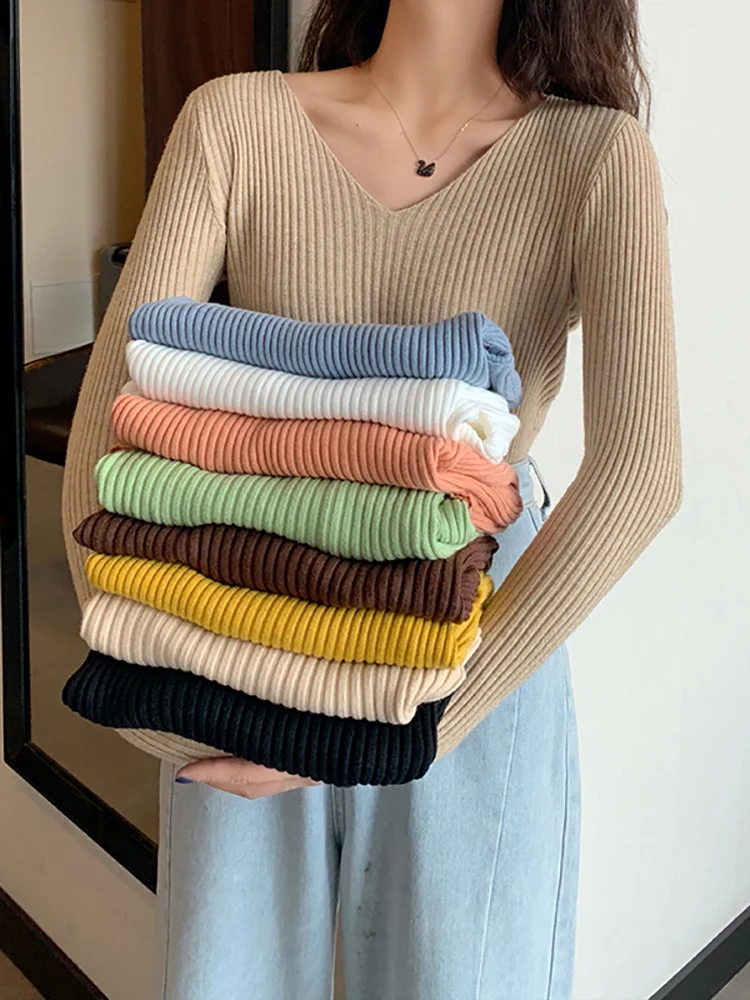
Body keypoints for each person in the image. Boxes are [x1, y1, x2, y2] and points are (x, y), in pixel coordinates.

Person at [61, 0, 682, 996]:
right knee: (226, 978)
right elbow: (108, 432)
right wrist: (174, 693)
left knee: (467, 979)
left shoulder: (596, 157)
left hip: (474, 632)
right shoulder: (236, 120)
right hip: (244, 613)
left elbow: (643, 470)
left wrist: (418, 716)